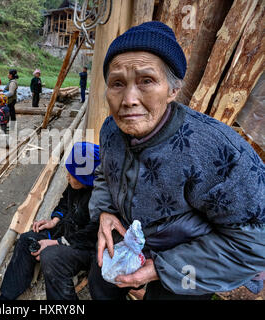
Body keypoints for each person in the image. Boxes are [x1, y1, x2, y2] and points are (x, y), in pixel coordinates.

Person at [87, 21, 264, 300]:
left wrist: (161, 268)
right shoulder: (111, 129)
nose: (129, 99)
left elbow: (255, 244)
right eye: (117, 83)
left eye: (146, 81)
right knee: (100, 282)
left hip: (192, 257)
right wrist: (105, 212)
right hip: (133, 241)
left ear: (172, 90)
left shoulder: (217, 151)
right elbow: (104, 172)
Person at [0, 142, 101, 300]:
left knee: (49, 256)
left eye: (72, 175)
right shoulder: (76, 184)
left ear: (85, 178)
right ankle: (6, 296)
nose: (68, 176)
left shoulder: (100, 198)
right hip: (65, 231)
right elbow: (65, 202)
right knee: (26, 239)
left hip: (83, 247)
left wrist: (58, 242)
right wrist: (54, 220)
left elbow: (91, 236)